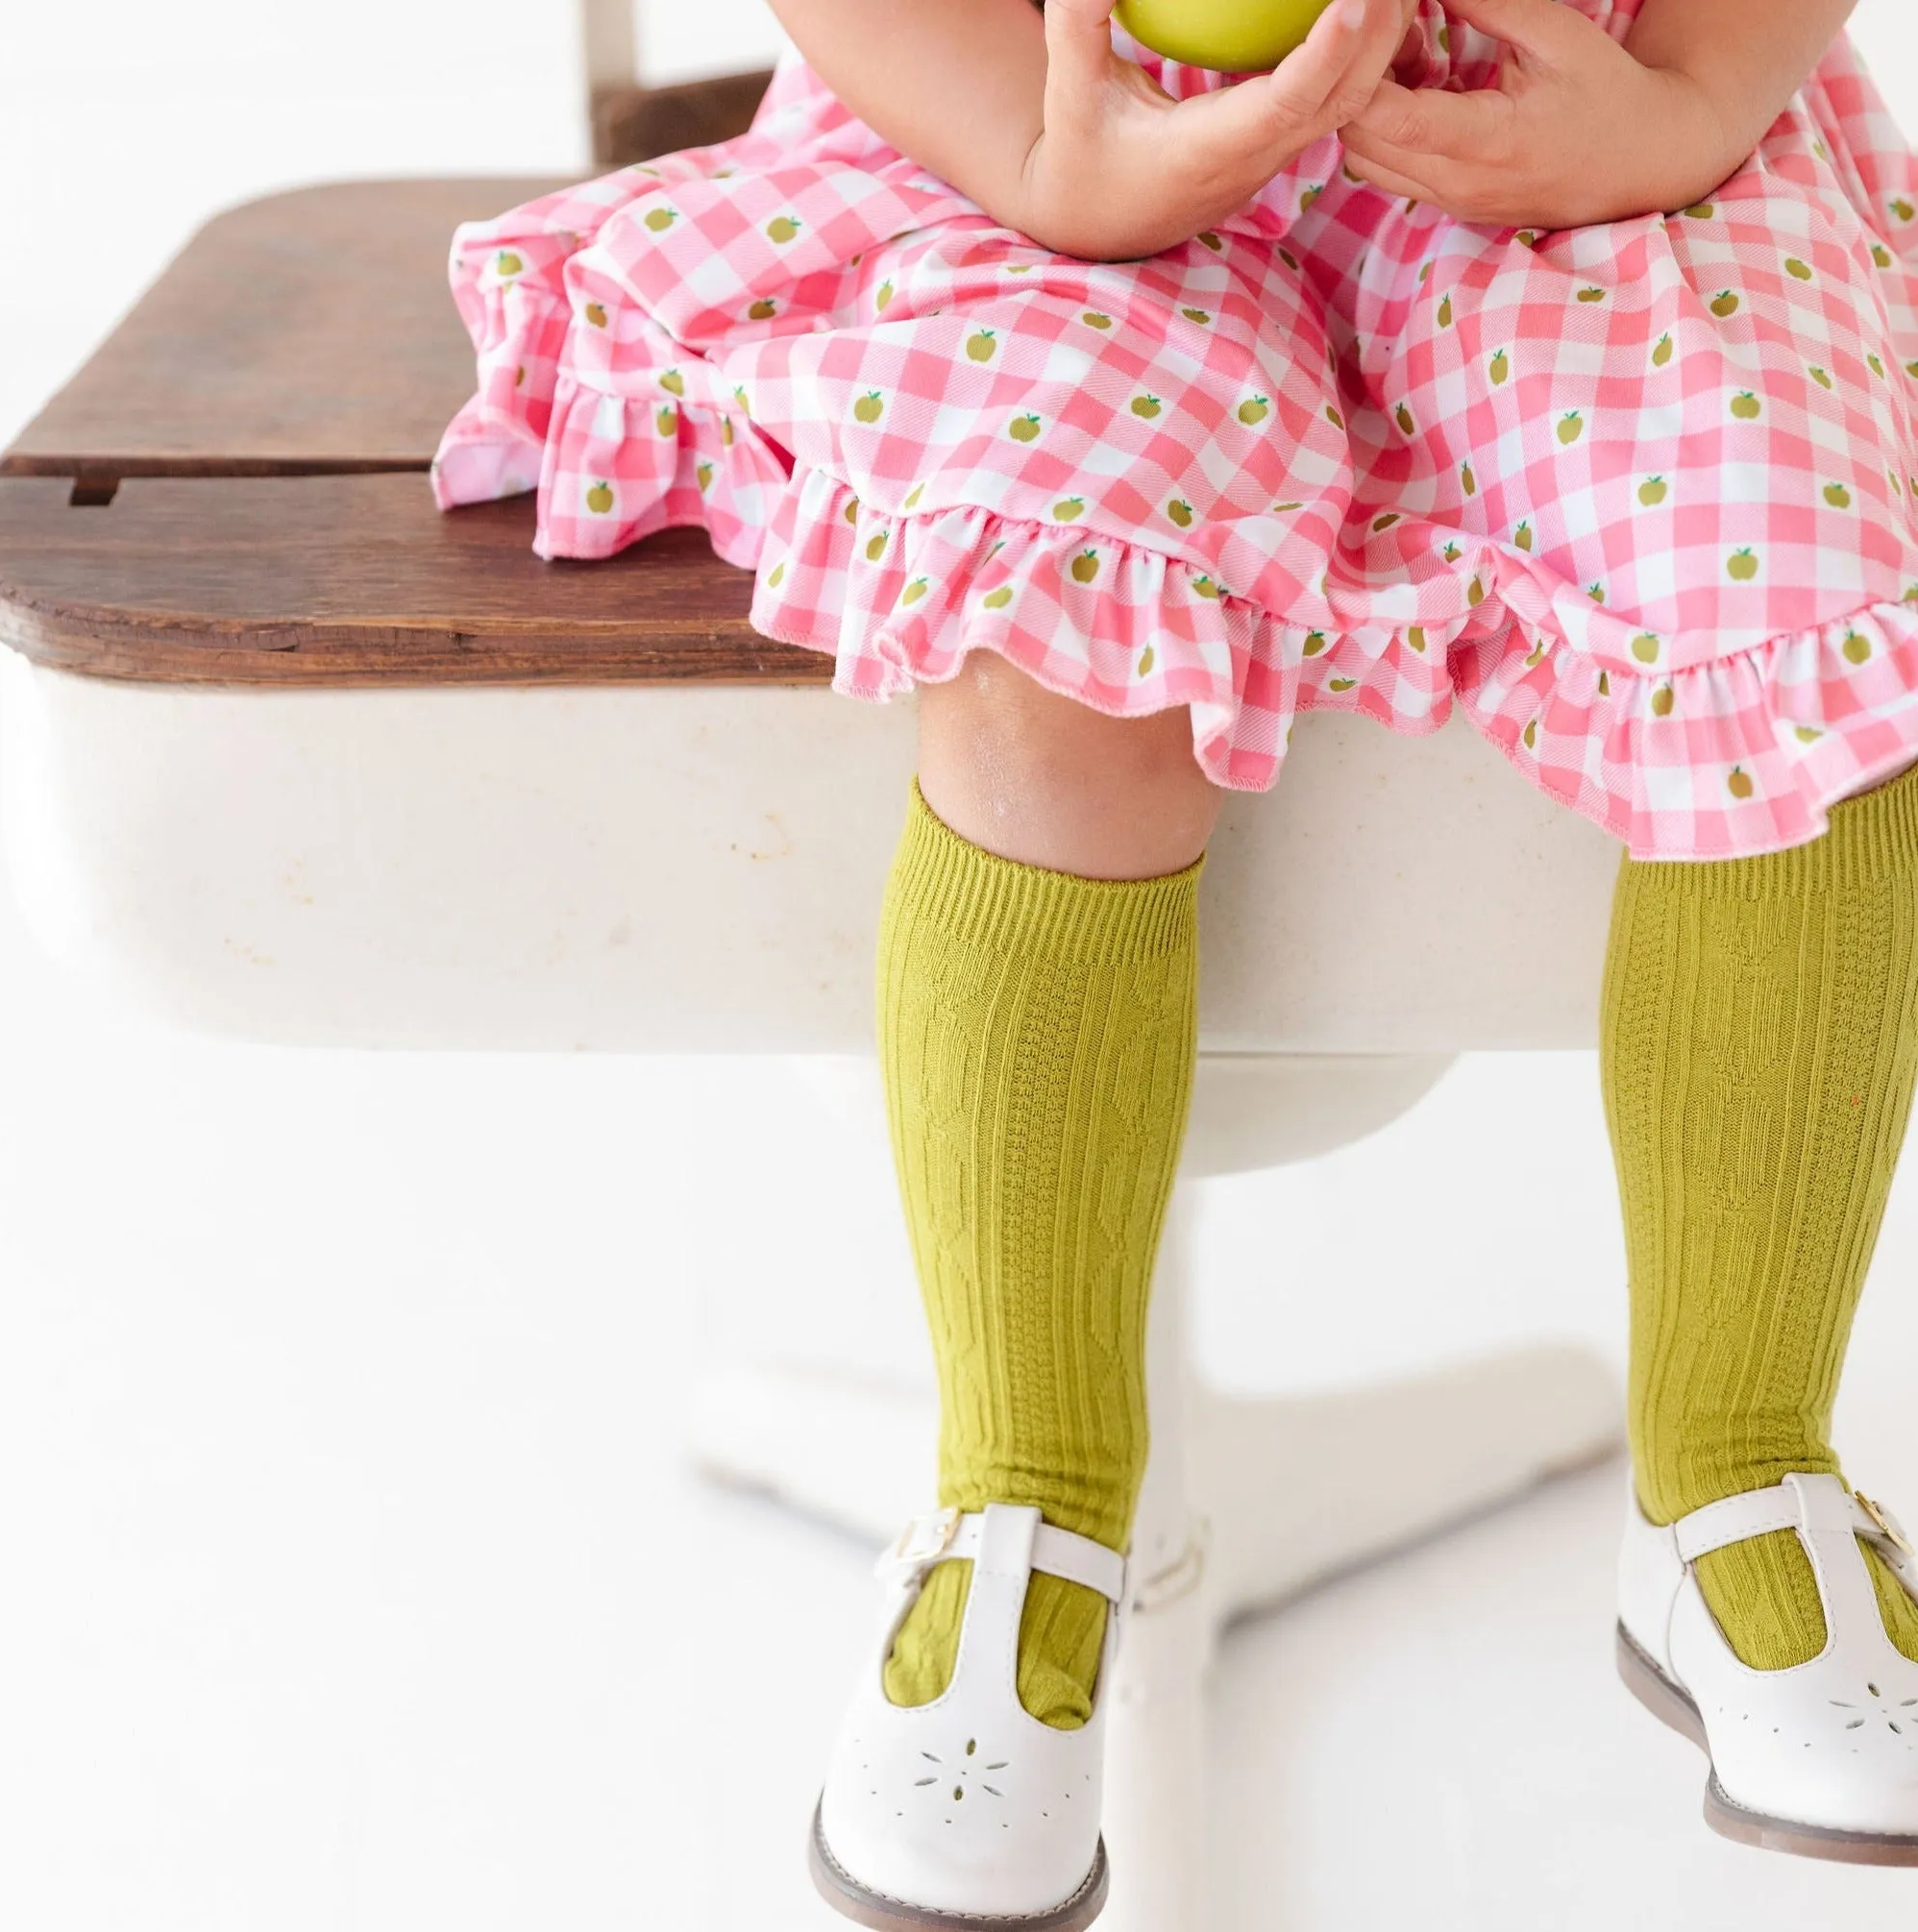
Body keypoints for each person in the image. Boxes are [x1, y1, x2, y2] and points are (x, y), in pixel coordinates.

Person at [433, 0, 1918, 1916]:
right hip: (1039, 129)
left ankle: (1736, 1457)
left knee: (1814, 601)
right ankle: (1026, 1489)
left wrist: (1695, 95)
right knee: (1059, 642)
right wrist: (1037, 151)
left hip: (1589, 122)